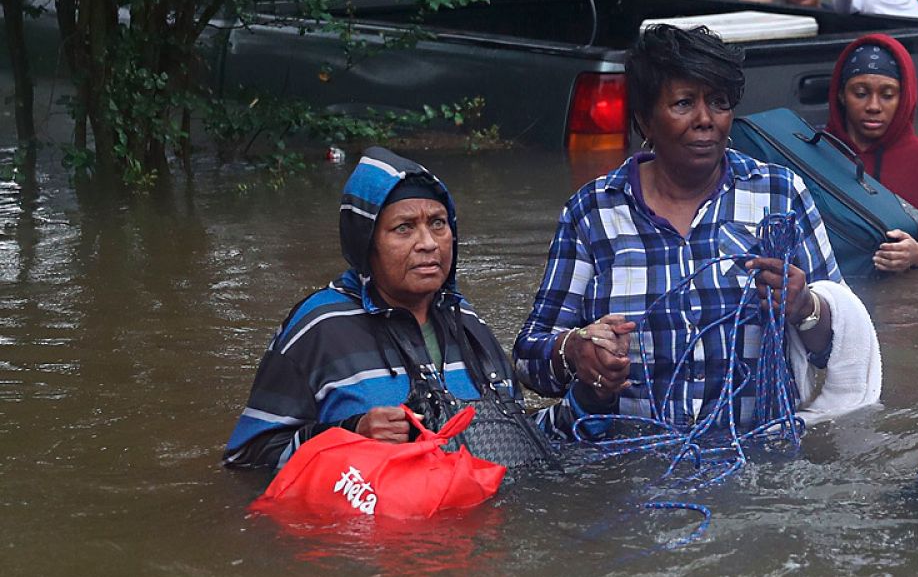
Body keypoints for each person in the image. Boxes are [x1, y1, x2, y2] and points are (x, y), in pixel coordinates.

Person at [514, 25, 848, 433]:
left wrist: (806, 309)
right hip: (628, 469)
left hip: (758, 461)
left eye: (719, 103)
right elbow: (529, 359)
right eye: (684, 103)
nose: (705, 120)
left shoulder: (780, 196)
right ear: (644, 120)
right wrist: (575, 351)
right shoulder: (594, 212)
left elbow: (844, 344)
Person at [224, 149, 521, 468]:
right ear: (366, 244)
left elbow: (523, 437)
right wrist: (350, 434)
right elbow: (246, 459)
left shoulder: (468, 325)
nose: (428, 243)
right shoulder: (319, 329)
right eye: (404, 228)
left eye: (438, 223)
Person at [824, 33, 918, 271]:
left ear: (904, 98)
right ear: (841, 95)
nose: (874, 106)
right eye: (860, 93)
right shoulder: (814, 151)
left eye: (888, 95)